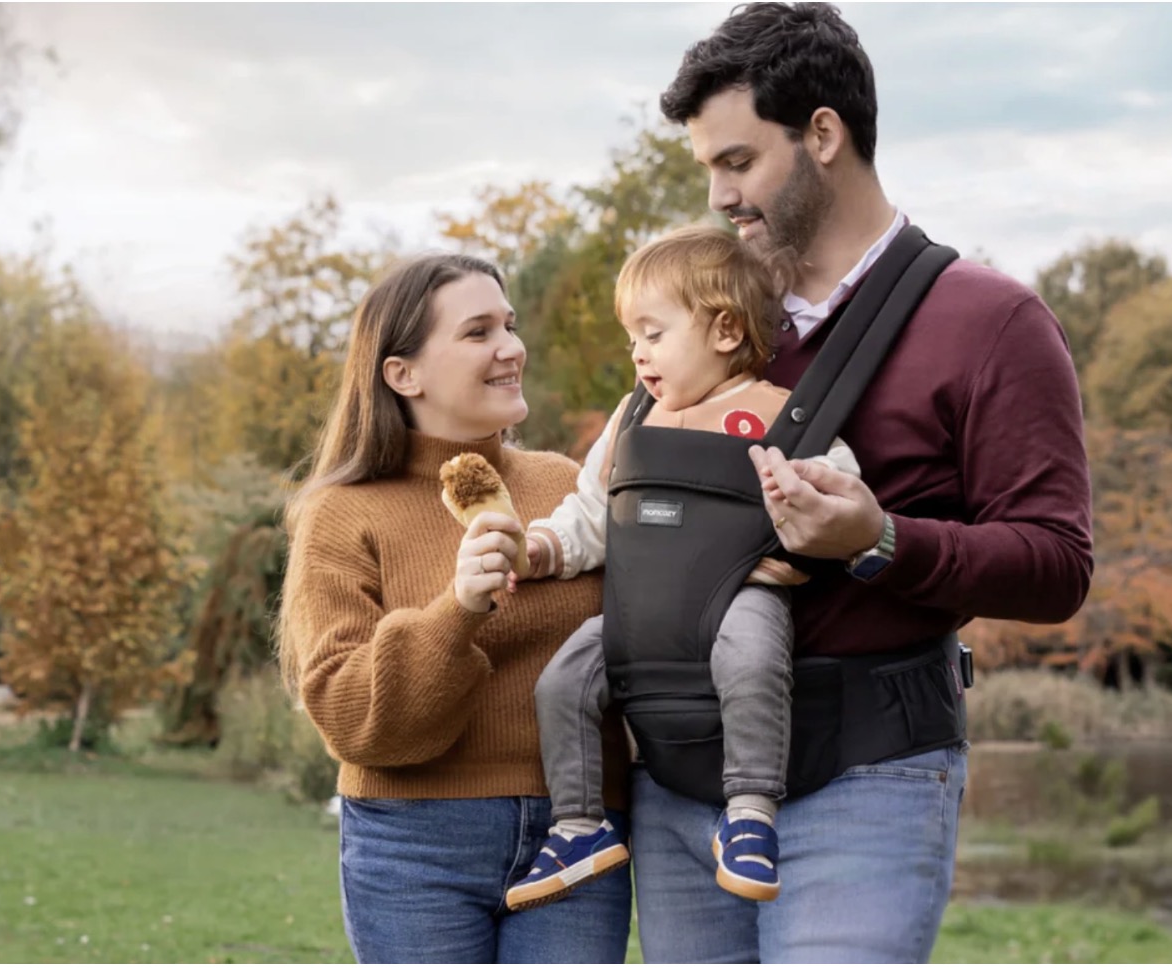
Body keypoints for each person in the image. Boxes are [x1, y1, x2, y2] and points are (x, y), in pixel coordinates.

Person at [607, 3, 1094, 963]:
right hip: (679, 780)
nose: (717, 195)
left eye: (738, 161)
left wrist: (882, 541)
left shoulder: (990, 322)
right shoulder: (698, 321)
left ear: (823, 133)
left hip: (869, 777)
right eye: (707, 166)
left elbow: (1058, 565)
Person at [276, 253, 632, 964]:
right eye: (478, 332)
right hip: (415, 842)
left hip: (580, 831)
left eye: (510, 324)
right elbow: (349, 717)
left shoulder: (569, 489)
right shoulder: (342, 515)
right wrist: (457, 608)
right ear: (402, 373)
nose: (511, 347)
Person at [502, 225, 858, 913]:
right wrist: (541, 548)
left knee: (754, 661)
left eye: (653, 333)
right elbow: (590, 511)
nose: (637, 353)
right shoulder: (635, 418)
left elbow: (838, 486)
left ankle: (750, 810)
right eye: (631, 337)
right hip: (640, 611)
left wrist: (802, 516)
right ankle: (578, 825)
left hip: (735, 595)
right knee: (563, 681)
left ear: (724, 330)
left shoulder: (775, 415)